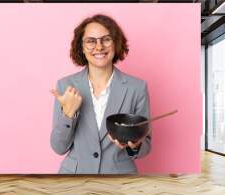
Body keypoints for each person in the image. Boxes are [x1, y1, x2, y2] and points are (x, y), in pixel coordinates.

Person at [50, 14, 151, 174]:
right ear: (81, 47)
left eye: (106, 39)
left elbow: (146, 145)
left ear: (116, 43)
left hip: (120, 181)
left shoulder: (137, 87)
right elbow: (58, 147)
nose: (99, 47)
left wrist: (135, 145)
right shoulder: (66, 86)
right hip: (74, 180)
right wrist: (68, 114)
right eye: (91, 41)